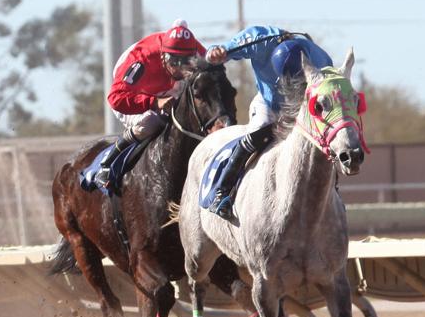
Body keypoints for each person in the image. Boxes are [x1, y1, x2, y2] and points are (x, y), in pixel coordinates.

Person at [204, 25, 332, 219]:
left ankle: (333, 196)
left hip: (300, 107)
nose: (286, 86)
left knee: (324, 143)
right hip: (268, 103)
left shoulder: (321, 61)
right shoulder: (259, 40)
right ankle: (222, 190)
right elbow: (220, 51)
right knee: (257, 133)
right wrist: (214, 52)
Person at [95, 19, 205, 189]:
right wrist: (154, 102)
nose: (180, 69)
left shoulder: (197, 53)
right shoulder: (140, 61)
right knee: (152, 122)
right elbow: (115, 99)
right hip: (136, 90)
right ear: (163, 56)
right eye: (175, 63)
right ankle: (107, 163)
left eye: (186, 62)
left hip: (167, 85)